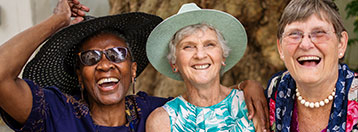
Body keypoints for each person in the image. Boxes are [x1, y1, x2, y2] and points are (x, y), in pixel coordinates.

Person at [0, 0, 268, 132]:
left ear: (134, 69)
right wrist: (55, 22)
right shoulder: (56, 112)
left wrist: (248, 86)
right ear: (80, 77)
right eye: (91, 58)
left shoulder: (152, 112)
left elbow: (206, 100)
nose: (105, 65)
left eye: (117, 54)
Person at [146, 3, 255, 132]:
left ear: (223, 57)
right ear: (174, 63)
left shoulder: (252, 105)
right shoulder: (163, 121)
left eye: (209, 44)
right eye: (188, 46)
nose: (200, 55)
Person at [266, 0, 358, 131]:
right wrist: (246, 86)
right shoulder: (275, 90)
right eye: (294, 34)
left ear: (341, 44)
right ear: (280, 48)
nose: (305, 44)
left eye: (319, 32)